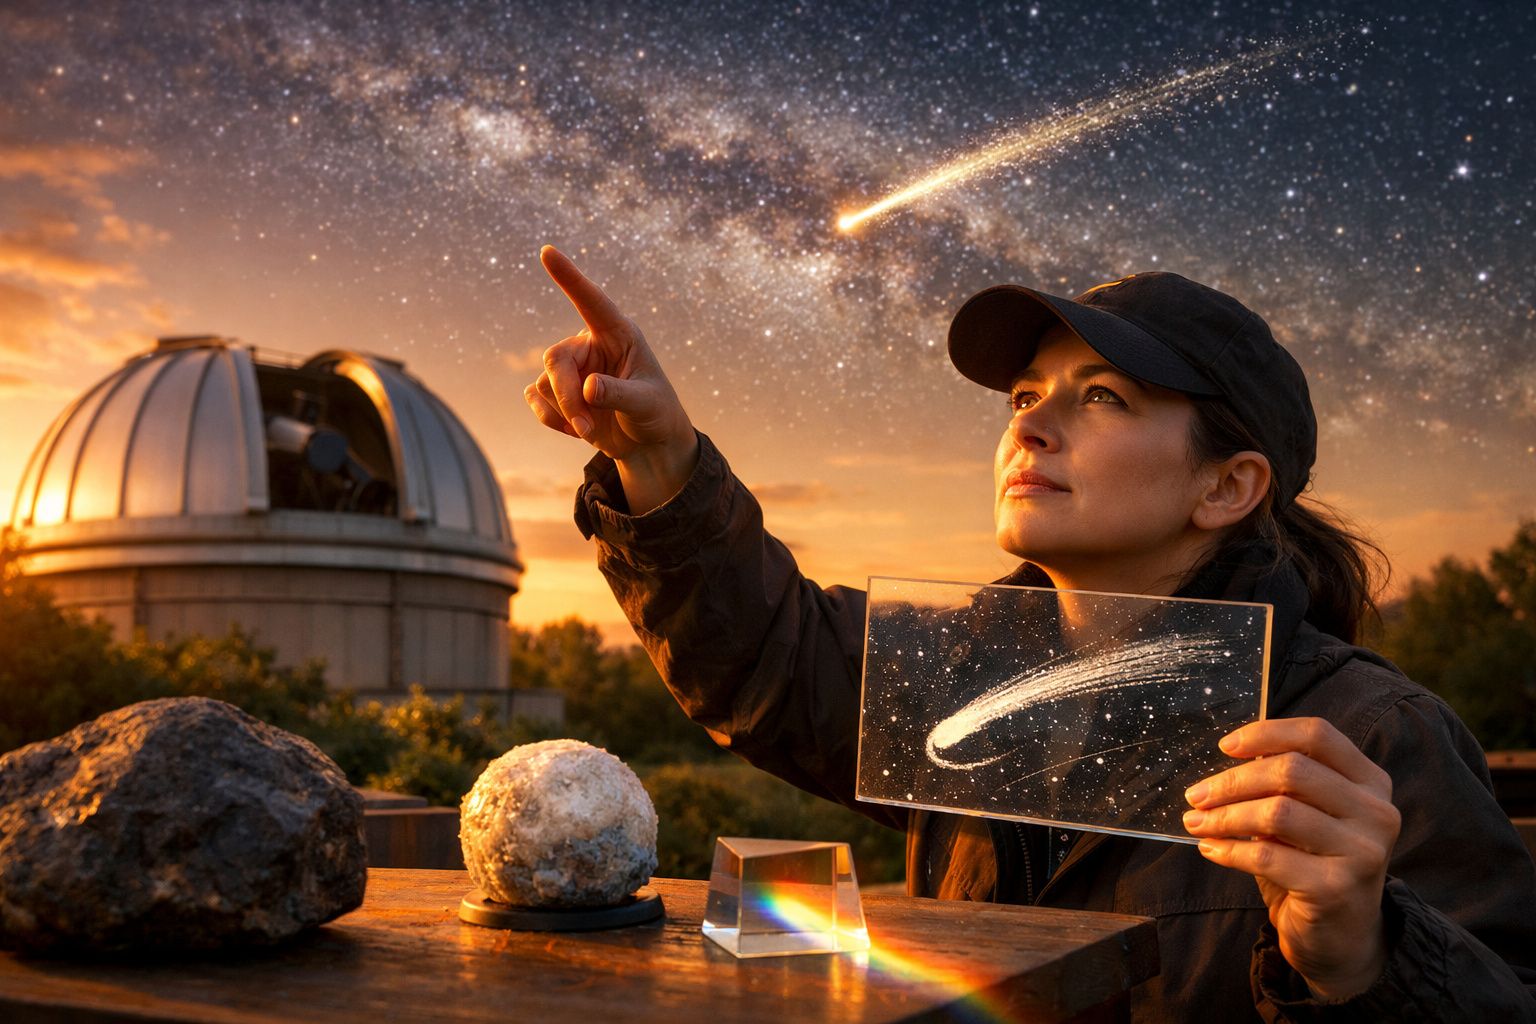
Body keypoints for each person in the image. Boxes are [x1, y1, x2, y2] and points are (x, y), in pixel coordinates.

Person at [523, 244, 1536, 1020]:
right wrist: (658, 459)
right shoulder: (959, 680)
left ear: (1229, 486)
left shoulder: (1367, 737)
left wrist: (1363, 957)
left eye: (1101, 396)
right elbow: (768, 656)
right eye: (1024, 394)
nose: (1031, 425)